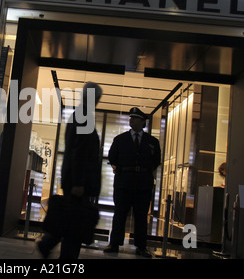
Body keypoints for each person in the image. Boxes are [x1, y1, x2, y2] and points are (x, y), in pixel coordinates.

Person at [37, 82, 102, 259]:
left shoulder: (80, 115)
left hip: (74, 179)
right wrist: (79, 182)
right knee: (75, 224)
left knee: (72, 220)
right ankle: (52, 248)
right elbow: (80, 152)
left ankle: (49, 244)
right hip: (77, 182)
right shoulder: (83, 117)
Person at [104, 107, 161, 258]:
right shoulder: (120, 139)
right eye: (131, 118)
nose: (132, 120)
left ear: (143, 122)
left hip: (143, 183)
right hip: (124, 181)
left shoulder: (152, 141)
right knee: (120, 213)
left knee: (141, 216)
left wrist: (144, 170)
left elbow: (156, 161)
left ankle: (141, 246)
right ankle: (114, 243)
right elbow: (112, 157)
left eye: (135, 118)